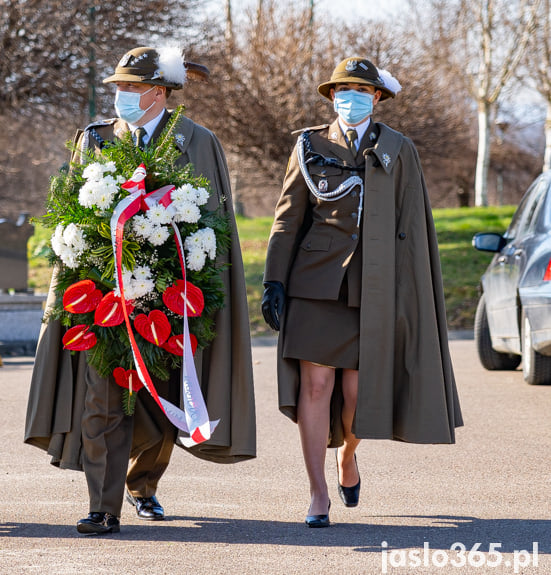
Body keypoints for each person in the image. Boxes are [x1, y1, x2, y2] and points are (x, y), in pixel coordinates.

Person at [25, 46, 256, 535]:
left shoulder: (197, 140)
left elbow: (213, 220)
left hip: (173, 293)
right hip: (102, 292)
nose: (120, 96)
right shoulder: (95, 139)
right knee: (101, 398)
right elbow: (70, 207)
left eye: (131, 87)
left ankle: (143, 483)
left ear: (159, 92)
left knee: (161, 394)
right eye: (117, 87)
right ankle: (102, 505)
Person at [261, 56, 463, 528]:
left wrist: (411, 292)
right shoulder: (309, 146)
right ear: (332, 97)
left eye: (360, 91)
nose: (349, 99)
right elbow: (288, 217)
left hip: (371, 289)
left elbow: (413, 224)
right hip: (314, 283)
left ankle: (348, 456)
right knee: (316, 385)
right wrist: (274, 279)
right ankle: (316, 495)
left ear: (377, 97)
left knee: (357, 396)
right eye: (341, 91)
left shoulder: (398, 148)